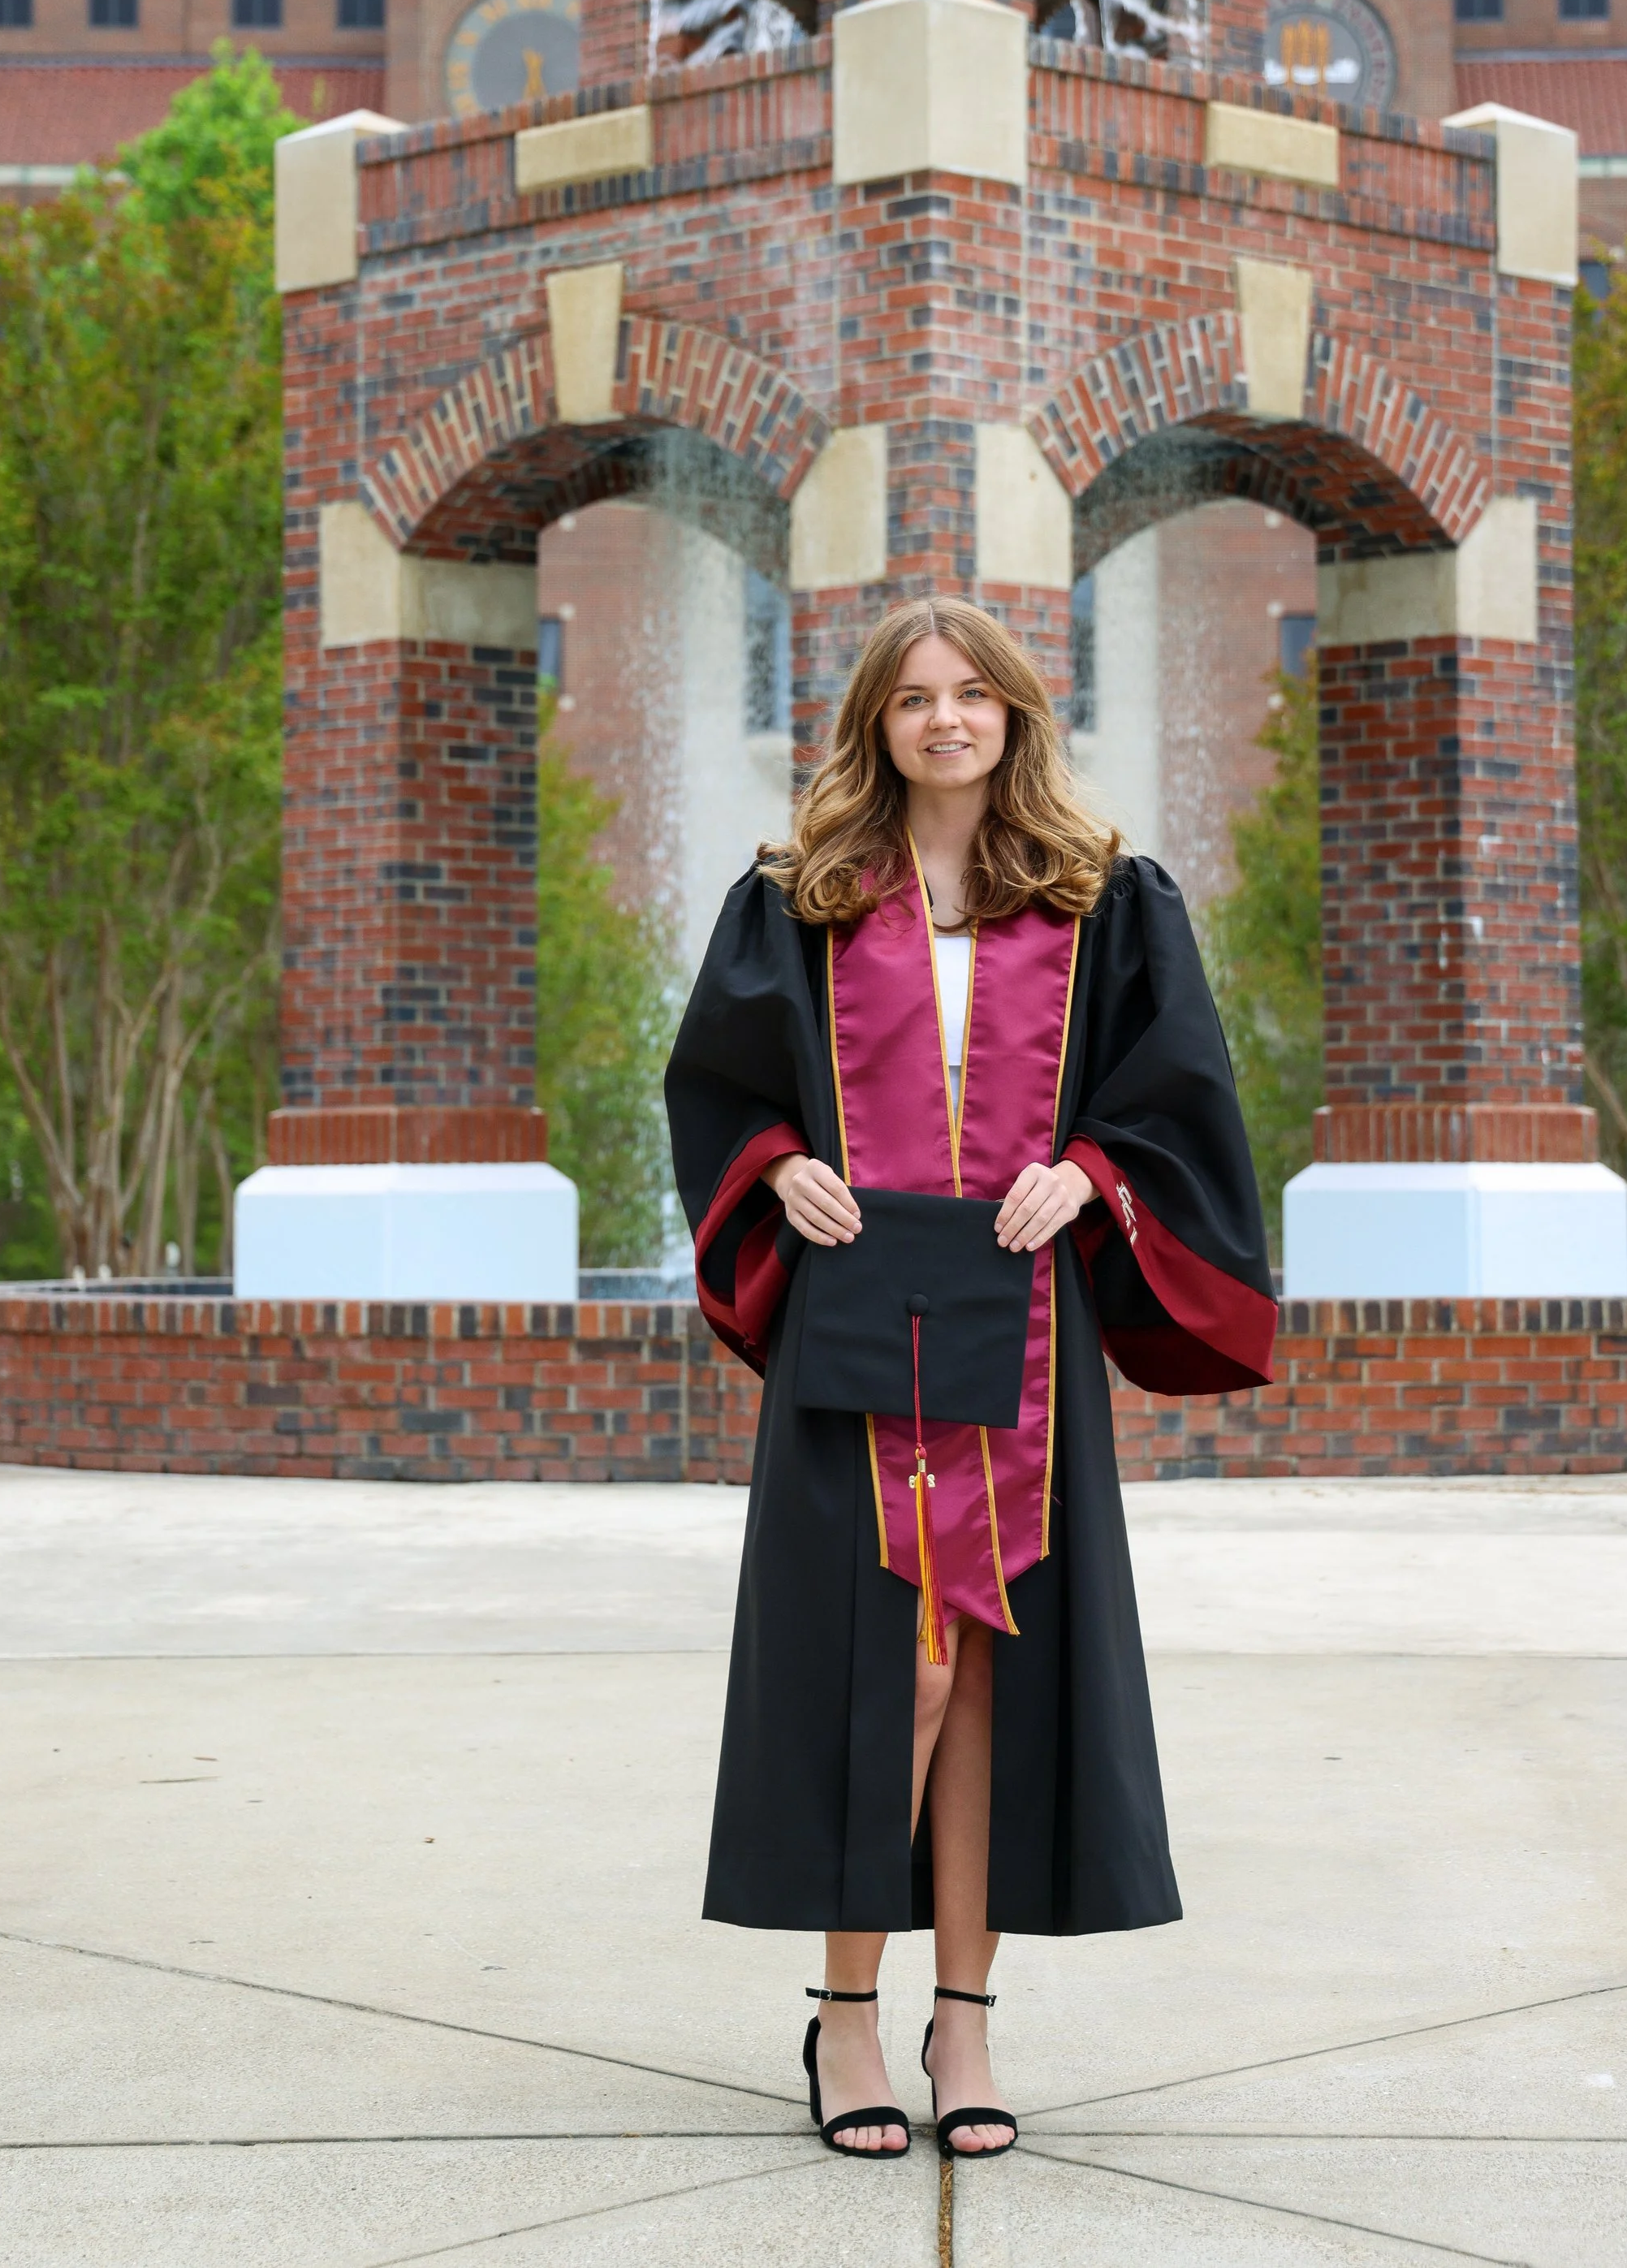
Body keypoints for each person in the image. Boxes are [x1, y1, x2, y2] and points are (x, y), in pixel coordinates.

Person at [666, 597, 1275, 2161]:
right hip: (856, 1310)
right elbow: (722, 1090)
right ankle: (849, 2022)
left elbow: (1176, 1099)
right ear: (877, 721)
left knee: (992, 1662)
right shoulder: (796, 899)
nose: (947, 719)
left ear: (1015, 713)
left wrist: (1086, 1173)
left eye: (973, 694)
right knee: (886, 1663)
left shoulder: (1102, 899)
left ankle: (967, 2020)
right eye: (915, 698)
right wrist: (776, 1165)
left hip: (1021, 1316)